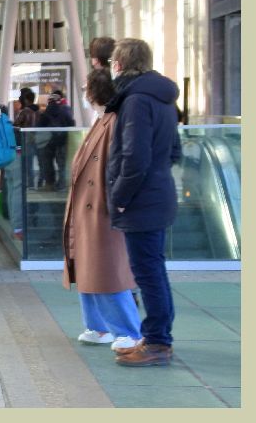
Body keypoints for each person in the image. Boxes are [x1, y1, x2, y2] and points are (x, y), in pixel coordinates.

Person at [106, 38, 182, 366]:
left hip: (141, 200)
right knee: (154, 270)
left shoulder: (135, 100)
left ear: (119, 64)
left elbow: (134, 155)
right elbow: (174, 150)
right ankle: (155, 337)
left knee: (148, 272)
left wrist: (120, 197)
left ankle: (157, 344)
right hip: (160, 193)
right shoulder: (163, 98)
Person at [63, 69, 142, 352]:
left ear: (92, 92)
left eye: (85, 89)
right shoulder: (103, 121)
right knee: (88, 269)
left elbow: (123, 164)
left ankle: (128, 332)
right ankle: (98, 326)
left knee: (107, 271)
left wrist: (118, 200)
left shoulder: (112, 122)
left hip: (101, 209)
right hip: (90, 209)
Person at [10, 87, 40, 237]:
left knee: (20, 185)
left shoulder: (24, 112)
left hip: (22, 150)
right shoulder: (38, 112)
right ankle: (32, 217)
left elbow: (15, 129)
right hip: (33, 149)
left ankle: (21, 222)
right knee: (29, 183)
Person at [36, 89, 75, 191]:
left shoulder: (46, 112)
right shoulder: (66, 110)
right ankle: (63, 185)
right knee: (62, 164)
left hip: (49, 141)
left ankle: (50, 184)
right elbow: (71, 124)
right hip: (62, 140)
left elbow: (39, 126)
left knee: (48, 163)